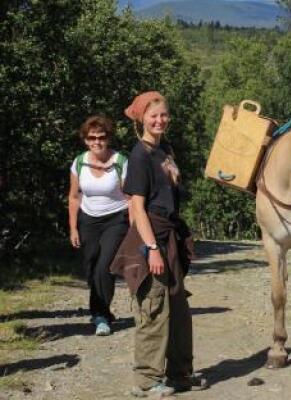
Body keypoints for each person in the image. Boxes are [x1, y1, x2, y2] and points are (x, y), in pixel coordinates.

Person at [109, 91, 205, 397]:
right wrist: (151, 248)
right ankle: (147, 380)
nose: (160, 120)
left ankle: (180, 373)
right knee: (153, 308)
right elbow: (136, 208)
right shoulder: (139, 156)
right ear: (141, 119)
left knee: (178, 308)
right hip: (152, 238)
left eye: (163, 114)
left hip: (170, 236)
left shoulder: (165, 149)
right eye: (153, 116)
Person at [68, 115, 129, 336]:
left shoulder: (120, 162)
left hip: (116, 218)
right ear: (85, 139)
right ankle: (101, 308)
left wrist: (135, 227)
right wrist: (73, 227)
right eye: (91, 137)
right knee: (92, 265)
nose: (97, 142)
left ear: (108, 138)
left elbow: (131, 197)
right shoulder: (79, 162)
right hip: (88, 219)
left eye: (101, 137)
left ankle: (100, 315)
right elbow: (74, 197)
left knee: (105, 265)